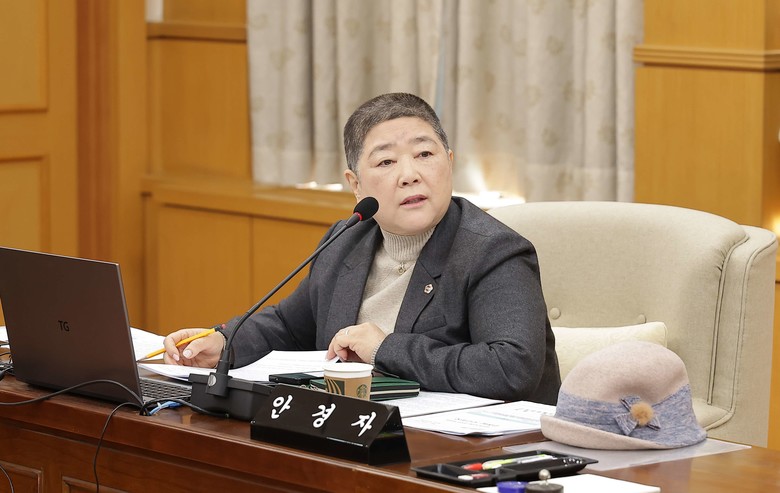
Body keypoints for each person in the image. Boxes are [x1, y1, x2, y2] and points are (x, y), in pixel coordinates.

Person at [162, 92, 560, 403]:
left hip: (476, 449)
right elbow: (289, 326)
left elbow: (511, 367)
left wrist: (385, 348)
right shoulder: (347, 241)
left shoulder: (493, 252)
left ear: (449, 162)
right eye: (386, 162)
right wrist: (224, 341)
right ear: (355, 184)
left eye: (425, 154)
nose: (410, 175)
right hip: (361, 432)